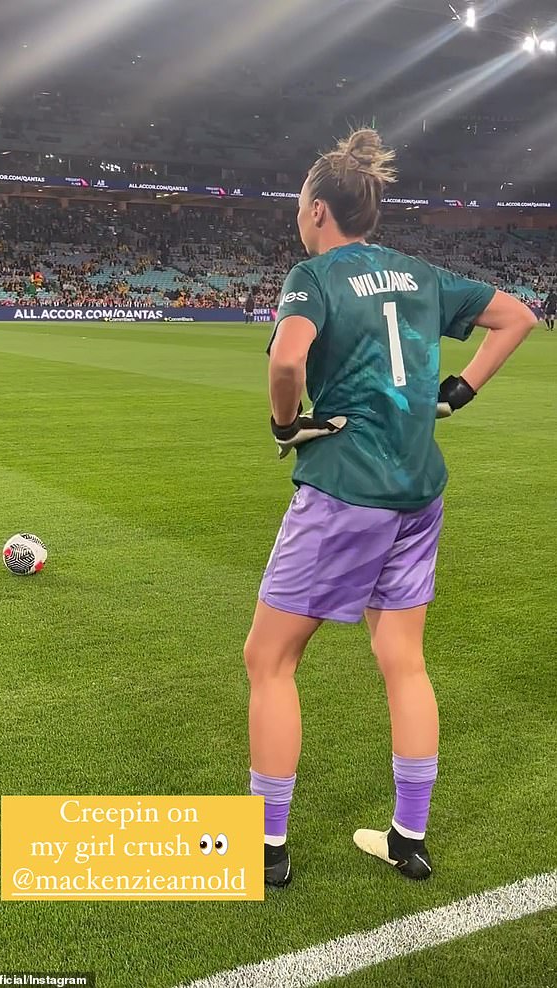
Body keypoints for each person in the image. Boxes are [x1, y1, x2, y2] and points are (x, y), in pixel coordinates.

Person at [244, 128, 537, 888]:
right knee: (403, 661)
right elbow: (518, 318)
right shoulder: (419, 273)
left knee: (269, 660)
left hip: (345, 486)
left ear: (315, 211)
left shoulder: (314, 276)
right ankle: (409, 837)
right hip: (417, 488)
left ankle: (265, 848)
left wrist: (285, 422)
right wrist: (461, 390)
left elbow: (286, 358)